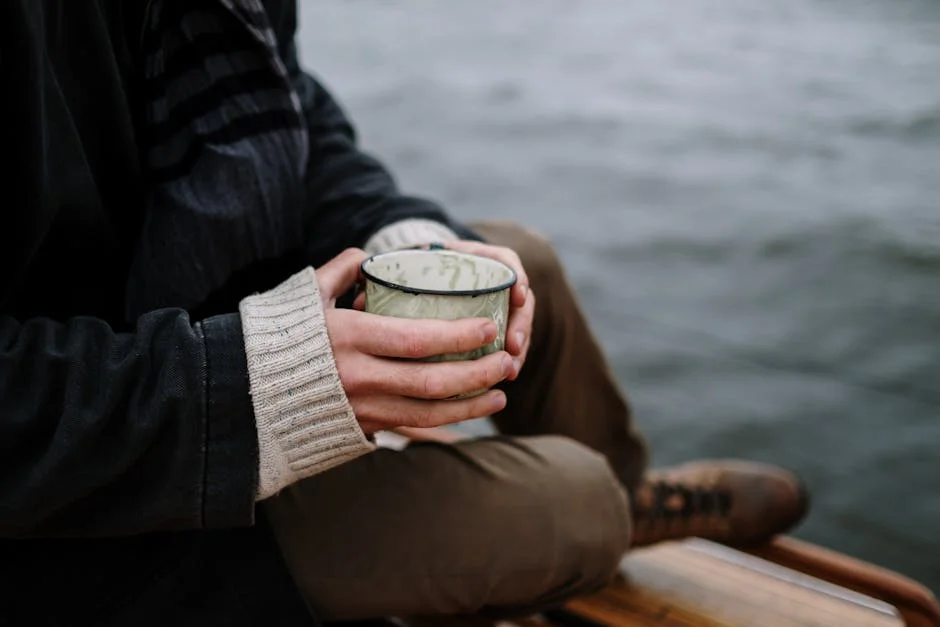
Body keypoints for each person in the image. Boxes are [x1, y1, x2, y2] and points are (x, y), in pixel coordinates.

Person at [0, 0, 808, 624]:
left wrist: (407, 238)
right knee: (574, 509)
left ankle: (631, 497)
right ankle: (603, 515)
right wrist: (266, 386)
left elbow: (304, 133)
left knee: (526, 260)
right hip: (89, 523)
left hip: (198, 337)